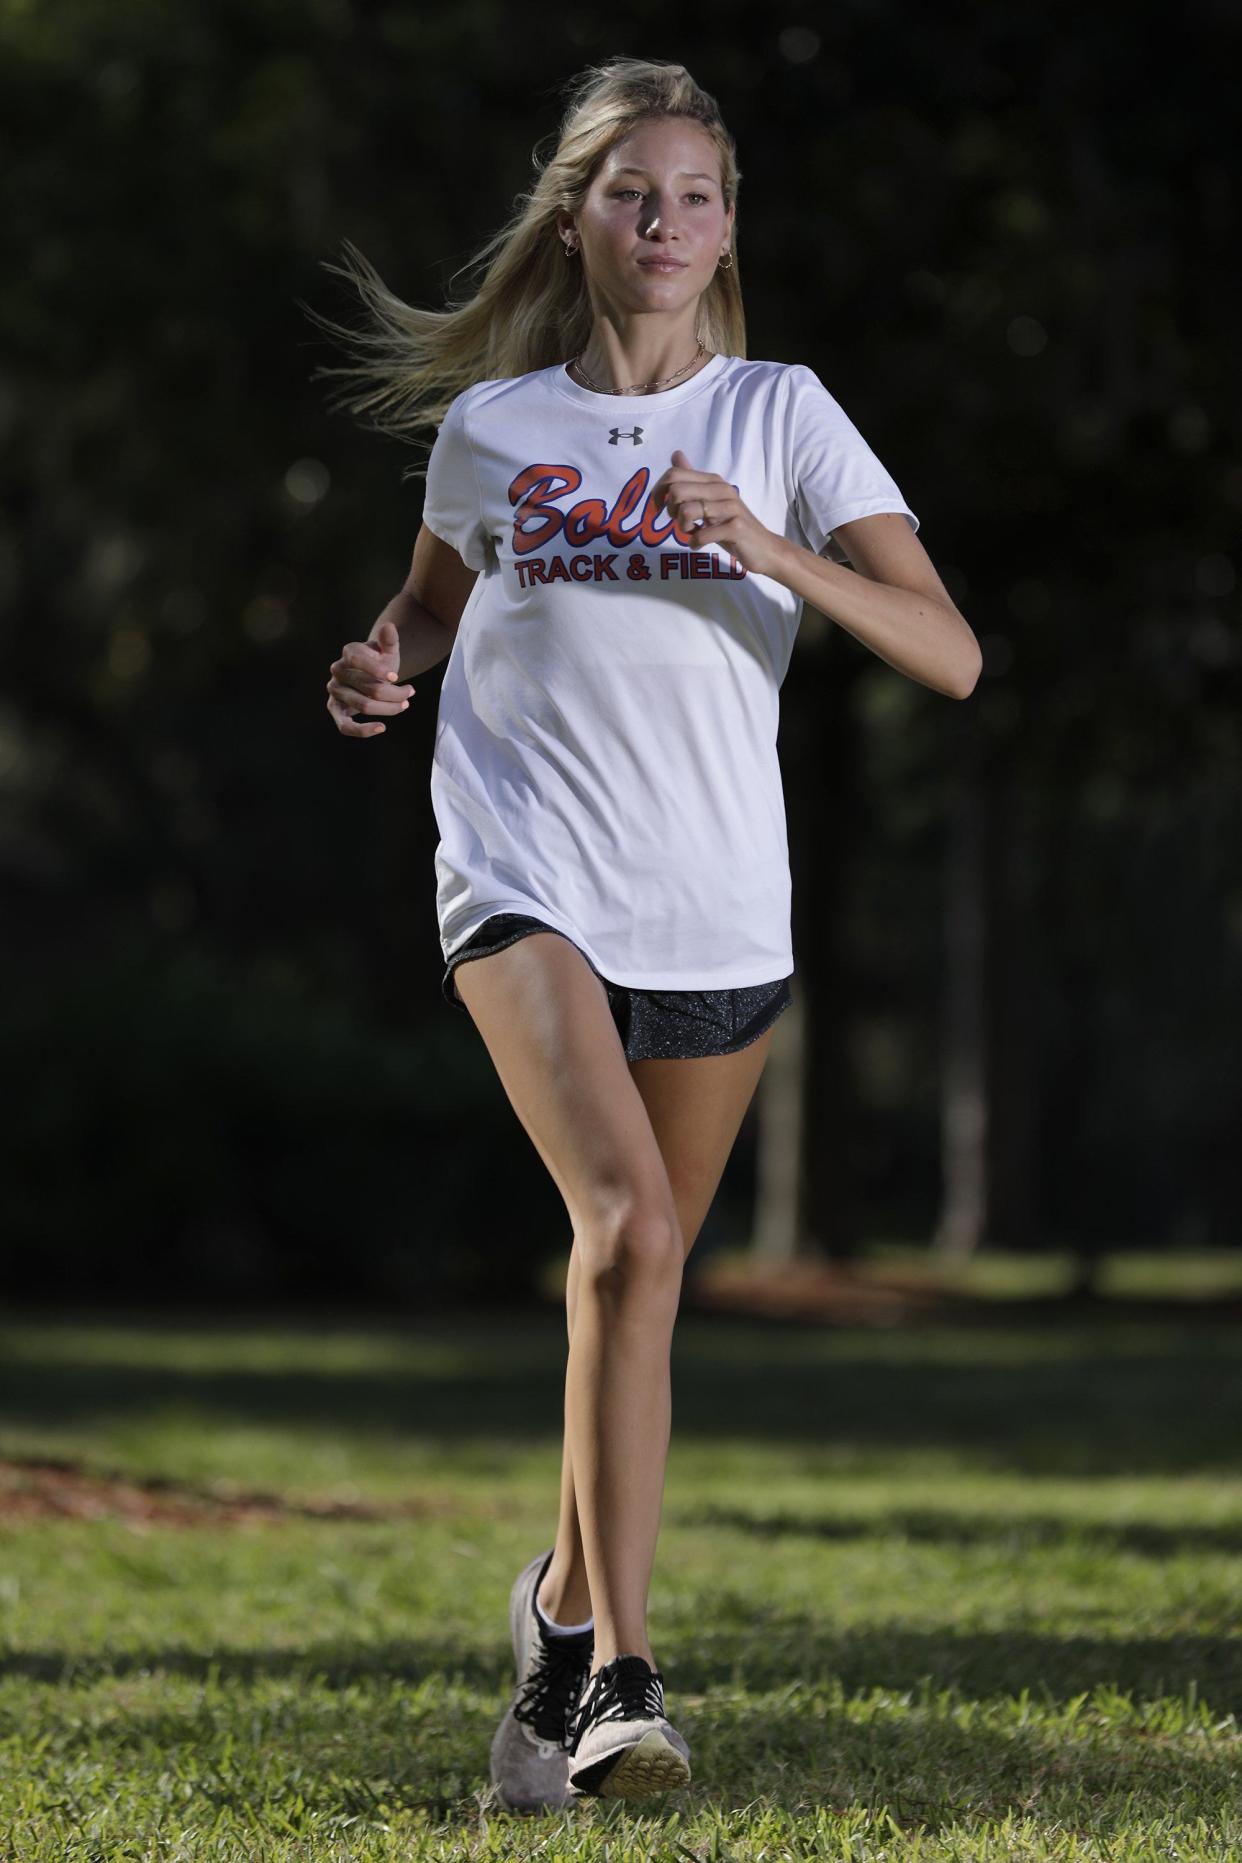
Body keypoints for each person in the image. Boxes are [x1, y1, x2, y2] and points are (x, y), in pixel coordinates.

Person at [318, 56, 979, 1810]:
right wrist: (384, 661)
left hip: (716, 907)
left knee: (639, 1277)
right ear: (575, 217)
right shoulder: (497, 429)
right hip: (523, 875)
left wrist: (766, 544)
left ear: (726, 225)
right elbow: (433, 612)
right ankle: (621, 1677)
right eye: (632, 194)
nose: (666, 222)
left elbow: (948, 651)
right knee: (624, 1228)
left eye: (695, 196)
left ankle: (546, 1618)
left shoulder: (780, 412)